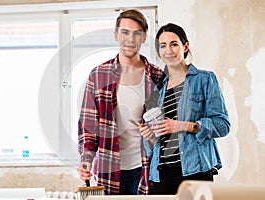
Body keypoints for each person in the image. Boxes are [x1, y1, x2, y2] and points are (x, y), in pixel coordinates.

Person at [77, 9, 163, 195]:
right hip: (109, 166)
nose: (130, 39)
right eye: (125, 32)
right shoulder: (99, 75)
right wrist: (86, 158)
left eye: (136, 33)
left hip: (145, 167)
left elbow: (166, 125)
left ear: (144, 38)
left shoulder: (157, 76)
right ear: (116, 35)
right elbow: (88, 125)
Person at [139, 23, 231, 195]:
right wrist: (149, 138)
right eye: (163, 45)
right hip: (160, 174)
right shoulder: (157, 90)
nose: (168, 50)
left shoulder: (205, 79)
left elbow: (223, 125)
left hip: (195, 171)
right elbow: (153, 147)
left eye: (174, 44)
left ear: (185, 46)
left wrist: (182, 125)